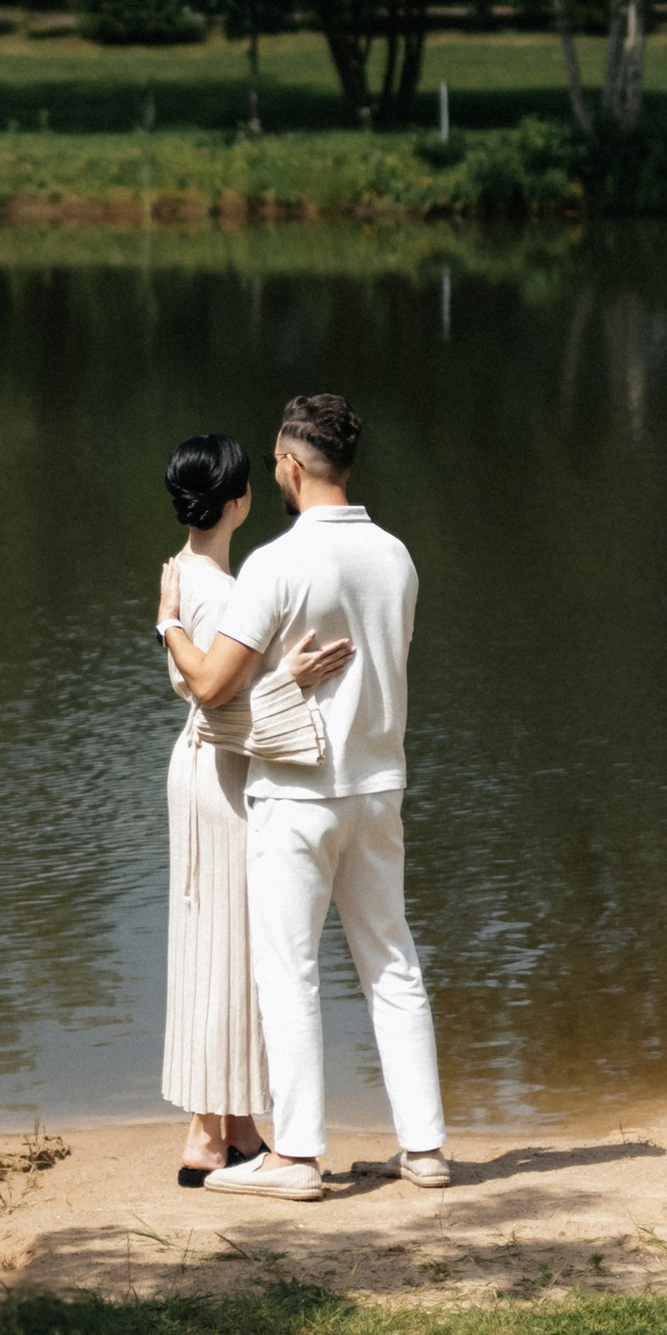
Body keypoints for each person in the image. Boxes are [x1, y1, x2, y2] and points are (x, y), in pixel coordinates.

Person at [155, 391, 449, 1201]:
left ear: (287, 463)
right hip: (379, 783)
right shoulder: (397, 557)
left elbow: (212, 686)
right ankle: (424, 1148)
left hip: (296, 793)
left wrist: (167, 625)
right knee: (393, 963)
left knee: (288, 972)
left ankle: (296, 1155)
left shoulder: (275, 563)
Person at [153, 431, 347, 1183]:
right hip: (221, 772)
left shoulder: (182, 574)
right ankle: (211, 1134)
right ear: (239, 501)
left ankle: (230, 1128)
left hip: (201, 767)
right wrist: (290, 679)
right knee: (229, 947)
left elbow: (202, 691)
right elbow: (220, 703)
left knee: (218, 945)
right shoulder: (221, 592)